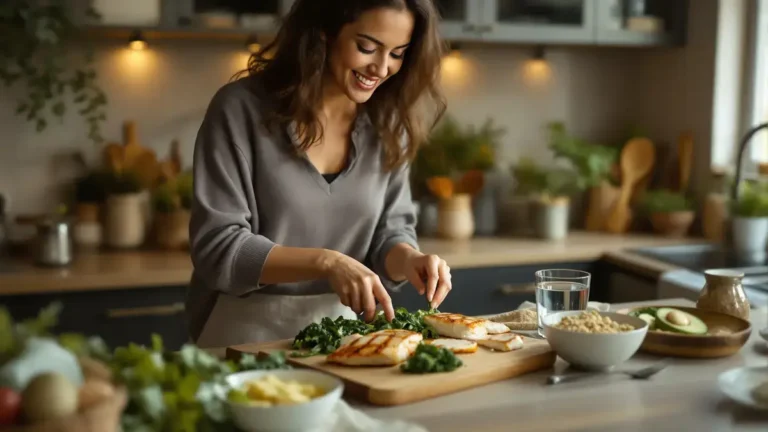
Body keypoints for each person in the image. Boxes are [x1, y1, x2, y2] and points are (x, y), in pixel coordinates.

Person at [187, 0, 451, 348]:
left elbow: (390, 232)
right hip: (240, 335)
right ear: (324, 32)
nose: (382, 68)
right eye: (367, 48)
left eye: (398, 54)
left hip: (341, 340)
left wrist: (411, 259)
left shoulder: (388, 125)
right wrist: (327, 262)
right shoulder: (240, 110)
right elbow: (218, 247)